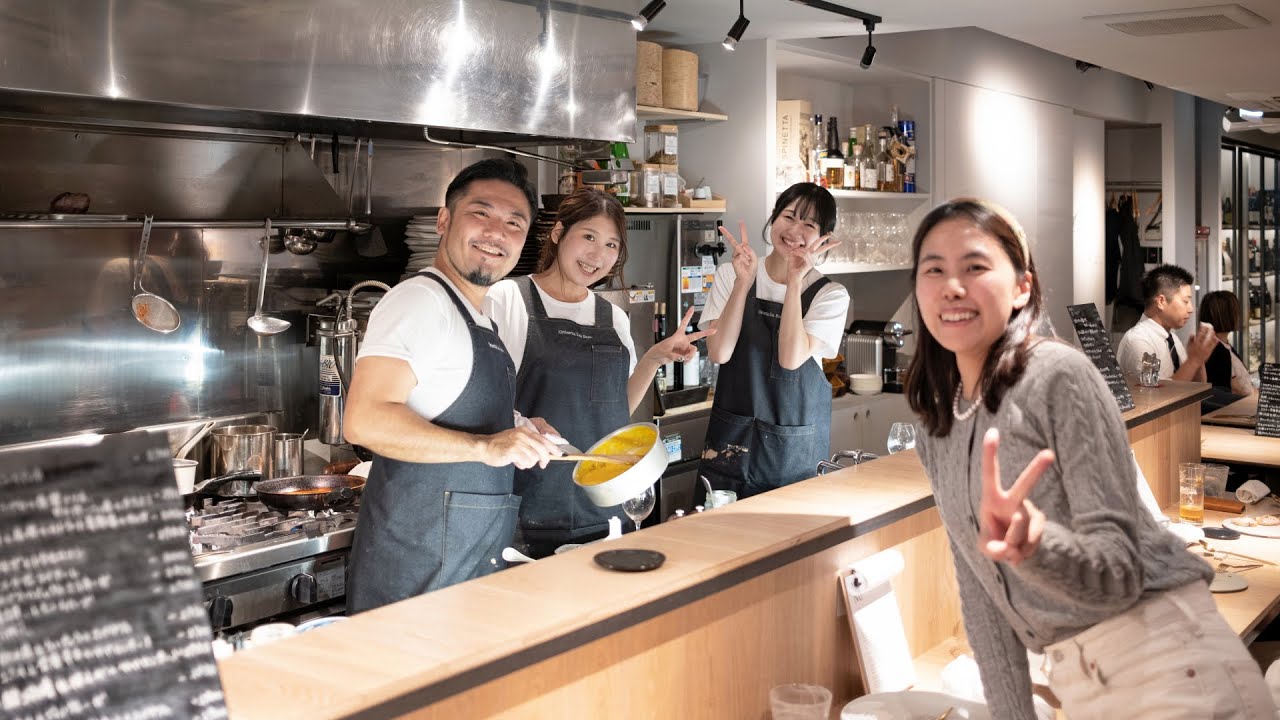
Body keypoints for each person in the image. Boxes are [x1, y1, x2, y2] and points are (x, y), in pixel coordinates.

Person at [907, 198, 1273, 719]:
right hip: (1078, 678)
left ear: (1022, 287)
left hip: (1167, 659)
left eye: (975, 267)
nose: (952, 286)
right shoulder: (938, 422)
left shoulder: (1058, 375)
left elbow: (1120, 568)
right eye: (934, 269)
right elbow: (981, 593)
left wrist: (1037, 546)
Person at [343, 158, 561, 613]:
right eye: (481, 213)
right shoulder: (419, 301)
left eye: (514, 223)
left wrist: (518, 426)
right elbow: (364, 420)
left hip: (463, 574)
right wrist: (485, 447)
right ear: (443, 221)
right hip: (416, 580)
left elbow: (440, 400)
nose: (496, 233)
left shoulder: (478, 316)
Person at [485, 188, 710, 557]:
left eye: (611, 245)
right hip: (530, 508)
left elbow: (615, 411)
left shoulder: (614, 317)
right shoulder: (508, 299)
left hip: (606, 508)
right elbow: (485, 403)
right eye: (588, 237)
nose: (597, 255)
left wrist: (653, 359)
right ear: (558, 233)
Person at [697, 182, 848, 499]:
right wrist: (743, 283)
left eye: (809, 225)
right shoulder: (731, 274)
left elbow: (791, 358)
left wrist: (794, 281)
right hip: (729, 447)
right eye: (789, 216)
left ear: (824, 238)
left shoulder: (830, 295)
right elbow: (719, 352)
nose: (794, 231)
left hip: (792, 458)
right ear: (774, 217)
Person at [1114, 264, 1216, 382]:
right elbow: (1155, 391)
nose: (1191, 309)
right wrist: (1193, 361)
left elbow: (1198, 386)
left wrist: (1199, 358)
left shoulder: (1173, 339)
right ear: (1161, 301)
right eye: (1185, 301)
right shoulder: (1138, 340)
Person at [1199, 290, 1254, 398]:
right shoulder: (1218, 353)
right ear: (1227, 316)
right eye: (1236, 311)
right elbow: (1222, 396)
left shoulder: (1223, 346)